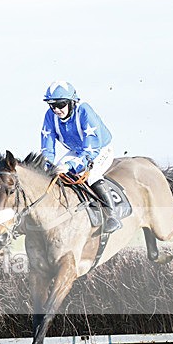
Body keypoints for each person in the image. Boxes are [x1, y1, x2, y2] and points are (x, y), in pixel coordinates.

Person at [40, 80, 120, 233]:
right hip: (77, 151)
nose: (56, 110)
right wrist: (46, 166)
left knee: (92, 175)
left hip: (99, 149)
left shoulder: (84, 111)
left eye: (60, 104)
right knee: (56, 175)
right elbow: (47, 148)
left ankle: (112, 215)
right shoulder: (50, 116)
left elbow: (91, 151)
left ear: (72, 102)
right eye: (52, 105)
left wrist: (70, 166)